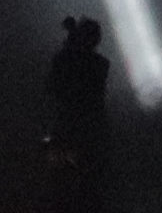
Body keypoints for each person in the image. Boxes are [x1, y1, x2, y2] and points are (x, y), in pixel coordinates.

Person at [42, 15, 112, 211]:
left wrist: (70, 41)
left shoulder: (67, 59)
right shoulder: (101, 63)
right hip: (91, 130)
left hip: (68, 128)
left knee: (62, 183)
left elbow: (53, 85)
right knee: (87, 185)